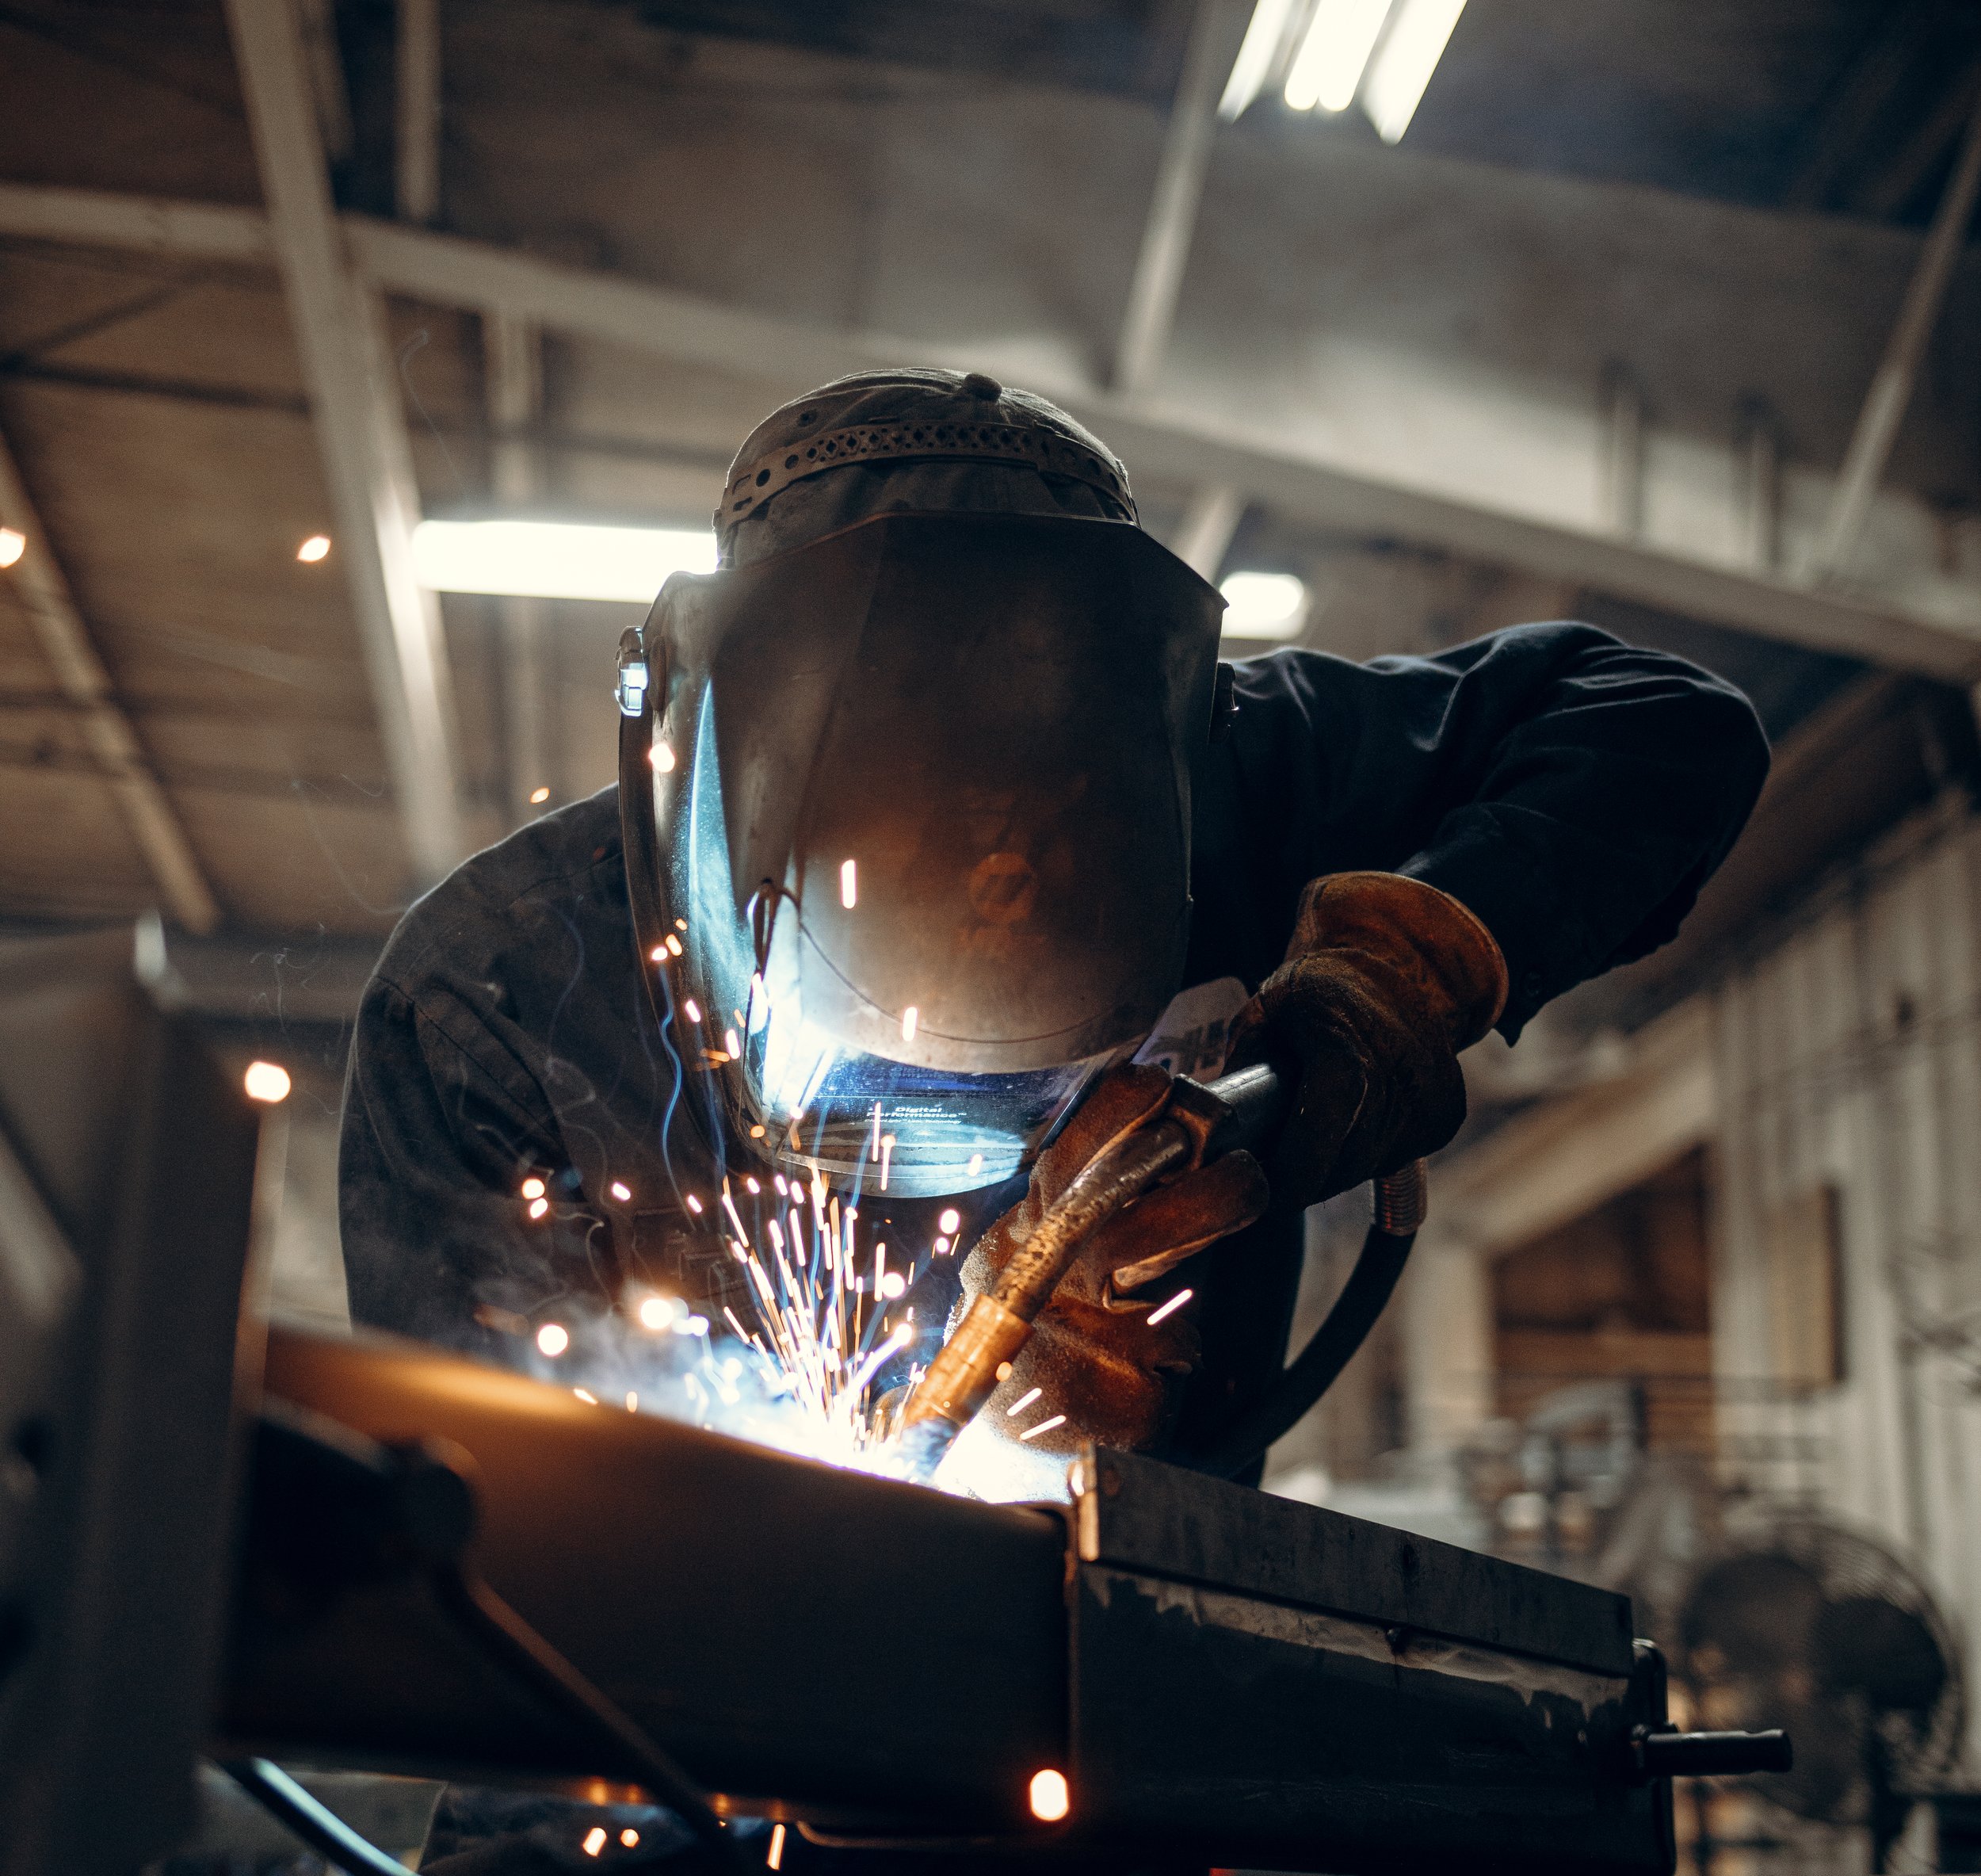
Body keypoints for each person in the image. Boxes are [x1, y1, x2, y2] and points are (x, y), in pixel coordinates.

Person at [342, 365, 1767, 1492]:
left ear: (1133, 721)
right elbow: (473, 1505)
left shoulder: (1240, 765)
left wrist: (1402, 975)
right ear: (734, 746)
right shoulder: (497, 979)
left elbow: (1661, 726)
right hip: (652, 1743)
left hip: (1129, 1671)